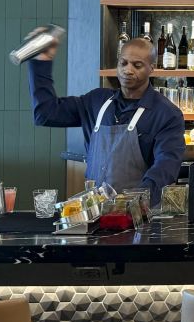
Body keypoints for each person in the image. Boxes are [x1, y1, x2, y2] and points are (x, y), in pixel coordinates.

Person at [25, 35, 183, 205]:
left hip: (138, 216)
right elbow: (46, 114)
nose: (128, 70)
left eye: (137, 65)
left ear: (152, 68)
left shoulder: (166, 114)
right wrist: (41, 62)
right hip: (93, 212)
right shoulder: (96, 101)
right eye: (123, 63)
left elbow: (165, 167)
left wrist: (136, 202)